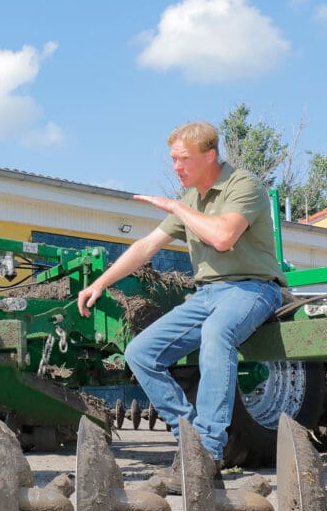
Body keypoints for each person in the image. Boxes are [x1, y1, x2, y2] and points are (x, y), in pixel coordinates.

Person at [77, 121, 285, 476]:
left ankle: (207, 450)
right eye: (173, 159)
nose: (176, 167)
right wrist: (101, 282)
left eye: (183, 159)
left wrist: (177, 209)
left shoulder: (244, 185)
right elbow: (146, 246)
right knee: (140, 353)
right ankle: (190, 437)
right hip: (207, 294)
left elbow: (223, 237)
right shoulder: (190, 200)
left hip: (253, 288)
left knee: (217, 335)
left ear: (210, 155)